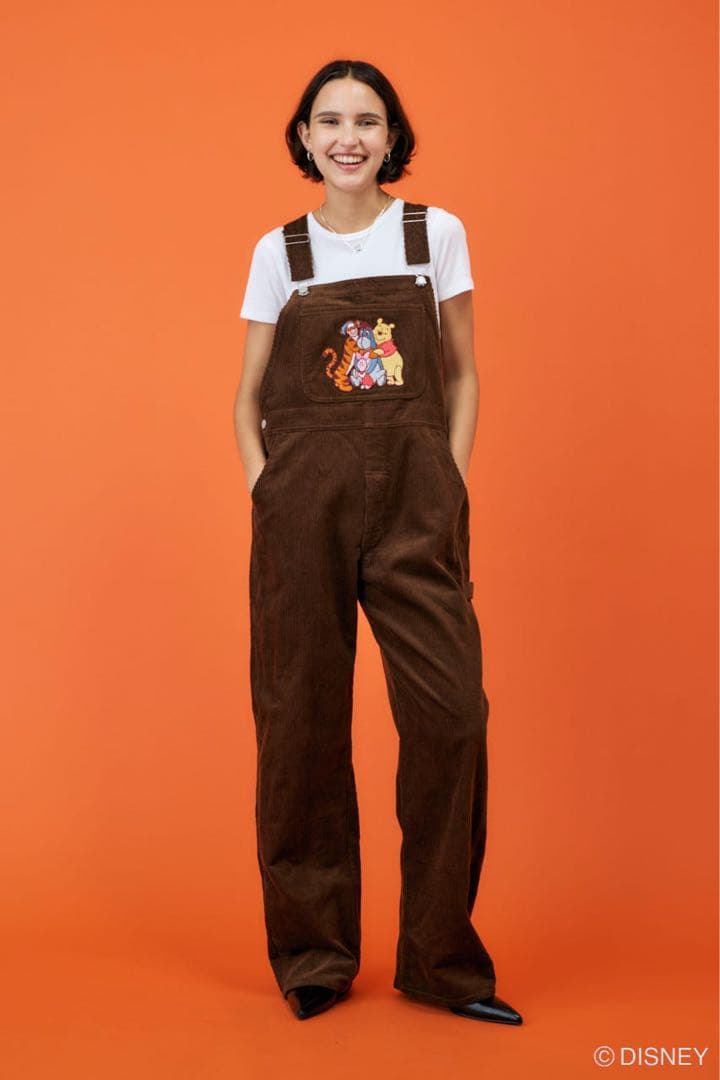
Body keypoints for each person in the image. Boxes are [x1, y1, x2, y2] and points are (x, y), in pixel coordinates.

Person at [234, 59, 523, 1026]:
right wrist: (267, 489)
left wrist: (449, 479)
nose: (348, 137)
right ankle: (314, 957)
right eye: (330, 121)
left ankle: (440, 959)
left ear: (392, 136)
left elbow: (464, 373)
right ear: (305, 138)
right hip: (301, 510)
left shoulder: (434, 234)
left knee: (452, 718)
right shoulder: (280, 252)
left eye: (366, 121)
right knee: (300, 726)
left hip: (415, 502)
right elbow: (245, 397)